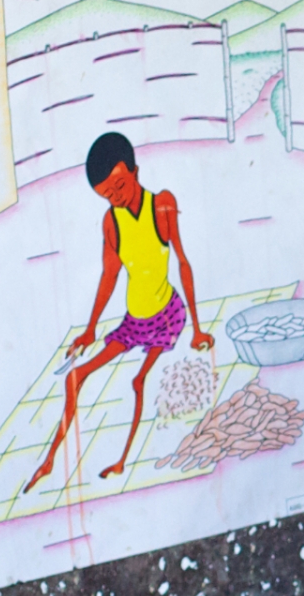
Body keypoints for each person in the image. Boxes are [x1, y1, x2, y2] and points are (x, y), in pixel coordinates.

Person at [24, 132, 212, 494]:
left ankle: (123, 460)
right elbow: (109, 276)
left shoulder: (163, 205)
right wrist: (90, 329)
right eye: (108, 195)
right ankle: (48, 463)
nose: (118, 197)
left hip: (167, 317)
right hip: (133, 322)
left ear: (136, 171)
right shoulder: (112, 222)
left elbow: (183, 262)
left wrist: (198, 330)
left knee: (137, 383)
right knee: (73, 379)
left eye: (121, 186)